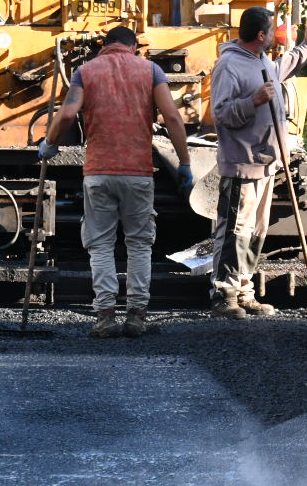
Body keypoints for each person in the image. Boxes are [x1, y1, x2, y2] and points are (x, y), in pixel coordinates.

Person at [41, 24, 194, 339]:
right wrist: (185, 163)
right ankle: (137, 316)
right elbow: (174, 118)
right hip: (138, 172)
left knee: (100, 245)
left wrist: (50, 143)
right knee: (138, 244)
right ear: (134, 47)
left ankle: (106, 316)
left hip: (98, 172)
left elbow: (67, 115)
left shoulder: (86, 70)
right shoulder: (151, 71)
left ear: (104, 47)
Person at [207, 7, 307, 319]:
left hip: (266, 162)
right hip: (243, 161)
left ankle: (243, 289)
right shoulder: (229, 66)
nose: (275, 34)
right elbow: (221, 113)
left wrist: (306, 46)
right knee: (235, 230)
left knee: (256, 230)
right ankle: (223, 295)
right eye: (272, 29)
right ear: (261, 35)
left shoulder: (260, 60)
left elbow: (280, 69)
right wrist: (253, 101)